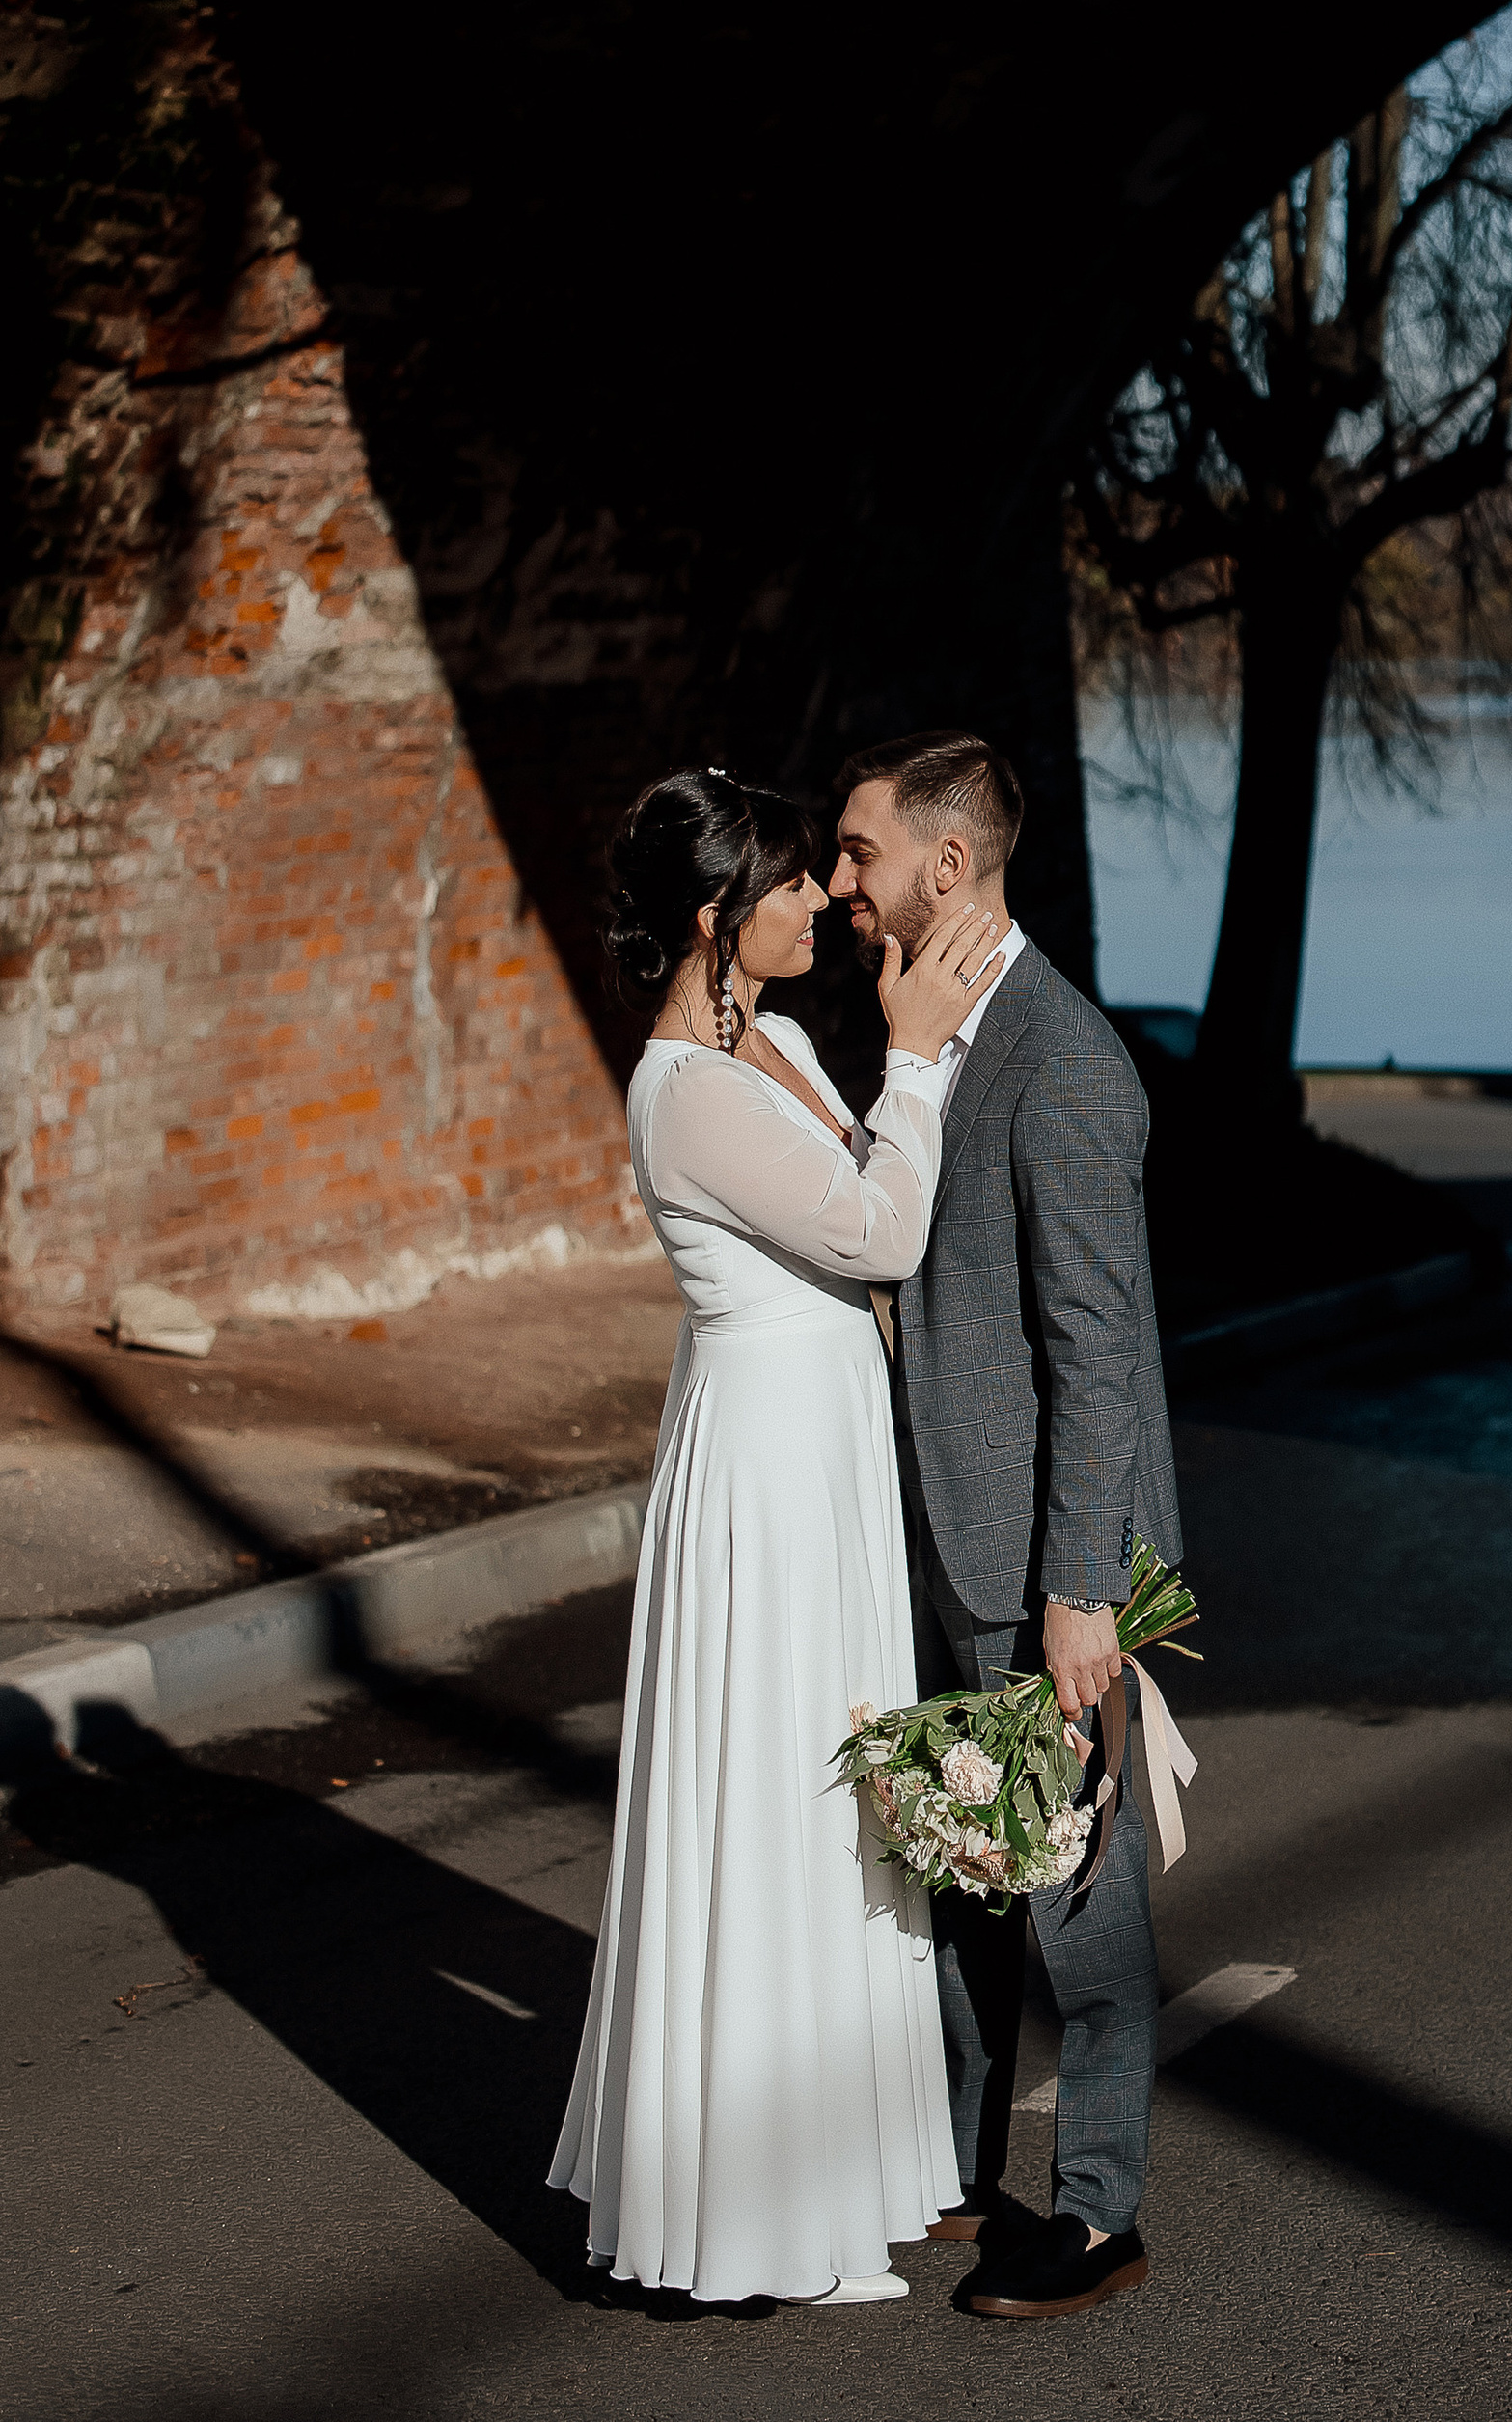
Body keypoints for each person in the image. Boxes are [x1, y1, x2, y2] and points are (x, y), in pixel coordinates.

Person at [550, 766, 1003, 2306]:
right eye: (793, 883)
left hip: (828, 1467)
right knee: (773, 1806)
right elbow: (880, 1228)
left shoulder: (794, 1041)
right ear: (712, 916)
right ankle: (749, 2220)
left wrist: (894, 1065)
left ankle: (842, 2189)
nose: (825, 900)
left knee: (844, 1812)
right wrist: (926, 1065)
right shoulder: (683, 1095)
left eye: (823, 875)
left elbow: (859, 1195)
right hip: (759, 1484)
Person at [828, 728, 1181, 2321]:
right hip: (931, 1529)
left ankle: (1097, 2209)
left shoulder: (1069, 1061)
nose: (842, 883)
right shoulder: (917, 1027)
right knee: (968, 1863)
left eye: (859, 854)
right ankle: (969, 2173)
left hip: (1042, 1558)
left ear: (946, 868)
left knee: (1076, 1891)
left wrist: (1080, 1590)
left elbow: (1095, 1362)